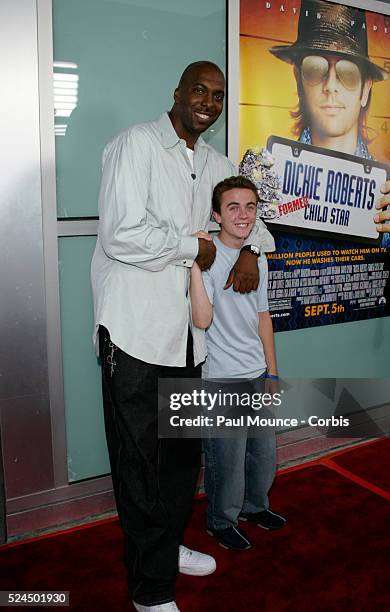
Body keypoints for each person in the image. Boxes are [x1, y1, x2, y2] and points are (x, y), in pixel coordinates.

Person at [91, 61, 275, 612]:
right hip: (134, 332)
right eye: (199, 90)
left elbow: (253, 223)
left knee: (177, 461)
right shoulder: (135, 145)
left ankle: (165, 547)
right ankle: (149, 591)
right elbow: (122, 234)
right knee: (137, 462)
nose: (209, 101)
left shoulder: (217, 164)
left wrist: (243, 249)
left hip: (192, 340)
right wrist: (195, 247)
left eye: (218, 95)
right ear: (176, 93)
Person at [189, 176, 286, 551]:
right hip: (222, 379)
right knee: (226, 463)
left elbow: (264, 316)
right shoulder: (210, 257)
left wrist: (272, 370)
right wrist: (196, 267)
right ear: (217, 214)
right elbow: (202, 319)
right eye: (233, 207)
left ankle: (254, 507)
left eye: (250, 206)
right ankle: (221, 520)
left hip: (257, 372)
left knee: (263, 455)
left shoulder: (256, 255)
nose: (243, 214)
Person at [268, 0, 390, 236]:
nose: (330, 86)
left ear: (365, 89)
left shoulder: (387, 191)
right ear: (298, 80)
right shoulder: (267, 171)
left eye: (348, 73)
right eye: (315, 69)